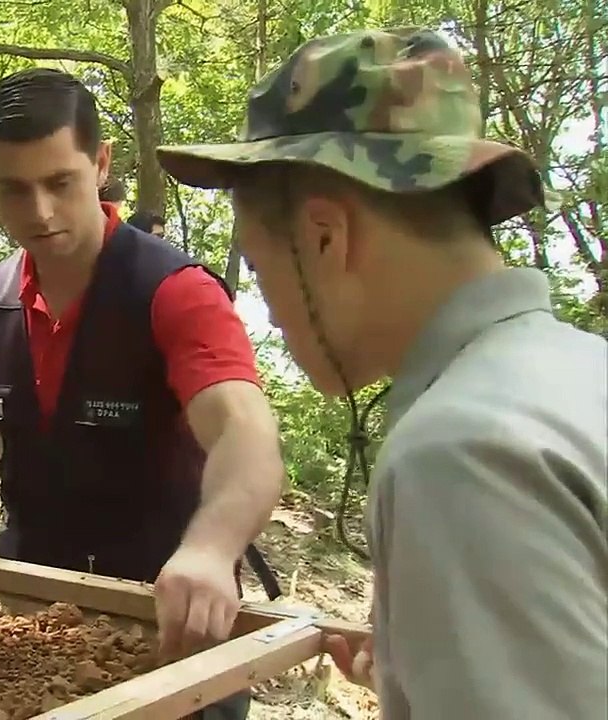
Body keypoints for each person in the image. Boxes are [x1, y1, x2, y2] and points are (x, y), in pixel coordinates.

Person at [158, 27, 607, 719]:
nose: (265, 309)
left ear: (324, 236)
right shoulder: (578, 373)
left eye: (258, 261)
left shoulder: (461, 452)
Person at [0, 68, 285, 720]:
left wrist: (211, 549)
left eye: (60, 183)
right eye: (14, 190)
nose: (41, 213)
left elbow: (244, 431)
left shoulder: (173, 292)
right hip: (29, 640)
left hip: (170, 639)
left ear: (101, 163)